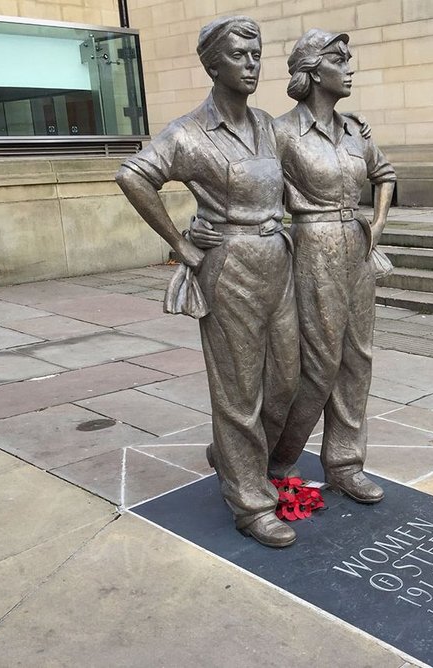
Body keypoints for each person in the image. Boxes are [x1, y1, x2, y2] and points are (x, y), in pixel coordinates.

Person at [115, 16, 300, 548]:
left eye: (256, 54)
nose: (251, 64)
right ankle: (250, 502)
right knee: (238, 390)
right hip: (230, 267)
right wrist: (181, 243)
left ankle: (229, 455)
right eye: (240, 55)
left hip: (277, 260)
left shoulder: (267, 124)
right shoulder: (189, 133)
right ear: (213, 64)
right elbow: (134, 175)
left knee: (285, 381)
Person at [269, 29, 395, 503]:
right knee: (317, 365)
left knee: (356, 359)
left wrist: (376, 227)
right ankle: (275, 457)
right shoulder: (280, 132)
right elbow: (253, 187)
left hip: (357, 250)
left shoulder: (354, 132)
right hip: (311, 247)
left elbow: (384, 175)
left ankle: (345, 463)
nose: (350, 68)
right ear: (314, 70)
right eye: (340, 60)